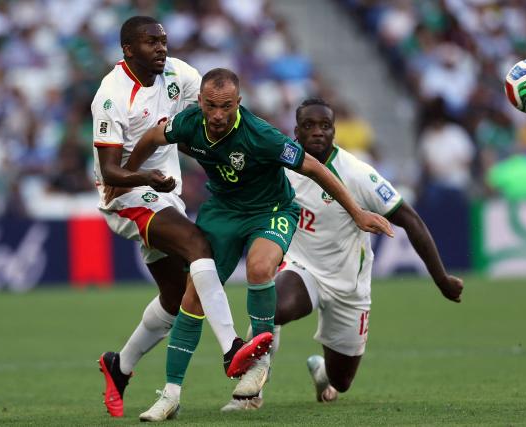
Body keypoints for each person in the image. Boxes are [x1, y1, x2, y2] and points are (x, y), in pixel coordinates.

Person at [122, 69, 394, 421]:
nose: (217, 115)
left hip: (272, 210)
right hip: (222, 212)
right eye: (210, 106)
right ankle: (170, 394)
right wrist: (128, 176)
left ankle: (257, 364)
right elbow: (154, 136)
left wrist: (357, 213)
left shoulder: (261, 135)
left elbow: (314, 168)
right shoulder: (188, 122)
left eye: (226, 107)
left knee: (260, 267)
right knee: (193, 294)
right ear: (200, 102)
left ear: (239, 103)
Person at [221, 98, 464, 411]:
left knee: (341, 380)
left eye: (325, 126)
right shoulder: (279, 167)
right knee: (273, 305)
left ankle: (322, 372)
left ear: (335, 131)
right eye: (309, 126)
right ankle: (251, 392)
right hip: (301, 267)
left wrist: (441, 278)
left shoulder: (357, 174)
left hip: (348, 284)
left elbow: (410, 219)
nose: (318, 132)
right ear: (296, 130)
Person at [92, 17, 271, 418]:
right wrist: (146, 176)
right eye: (151, 42)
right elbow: (109, 171)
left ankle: (119, 366)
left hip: (162, 189)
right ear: (128, 50)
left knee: (174, 299)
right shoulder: (111, 96)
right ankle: (231, 350)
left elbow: (215, 109)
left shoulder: (178, 73)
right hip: (125, 192)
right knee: (197, 246)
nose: (161, 48)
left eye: (163, 40)